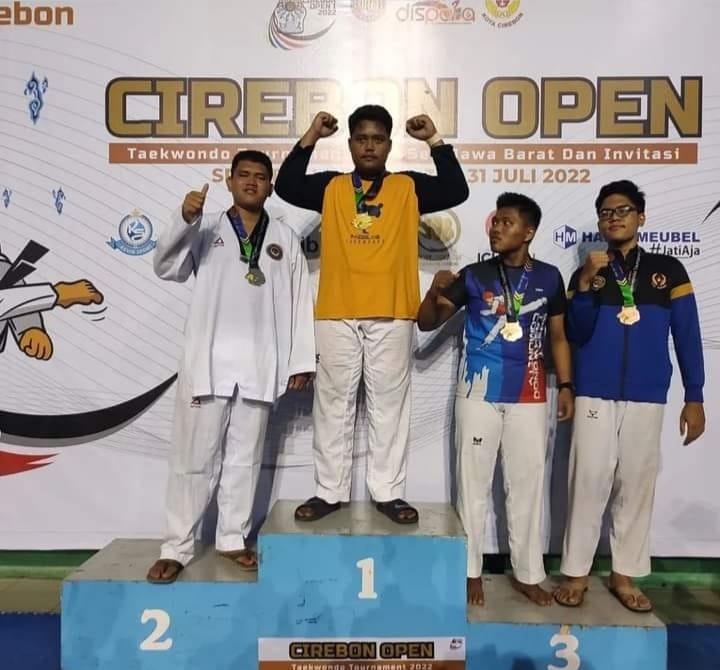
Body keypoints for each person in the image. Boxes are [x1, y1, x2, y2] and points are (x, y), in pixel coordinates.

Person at [274, 105, 469, 524]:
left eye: (377, 139)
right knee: (332, 405)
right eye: (361, 139)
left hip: (393, 310)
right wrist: (312, 135)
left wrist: (434, 140)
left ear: (389, 145)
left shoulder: (407, 186)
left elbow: (456, 189)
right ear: (349, 144)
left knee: (389, 406)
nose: (369, 146)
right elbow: (286, 184)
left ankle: (388, 493)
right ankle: (329, 491)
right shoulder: (330, 187)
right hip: (337, 310)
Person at [146, 150, 316, 584]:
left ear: (270, 186)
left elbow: (300, 301)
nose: (252, 182)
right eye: (244, 175)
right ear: (230, 181)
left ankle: (232, 538)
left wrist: (300, 360)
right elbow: (165, 266)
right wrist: (184, 219)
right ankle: (176, 546)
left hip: (260, 363)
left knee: (245, 458)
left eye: (260, 177)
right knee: (193, 459)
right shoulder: (205, 229)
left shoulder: (284, 237)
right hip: (208, 362)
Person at [554, 180, 705, 612]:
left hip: (647, 394)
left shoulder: (668, 270)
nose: (614, 218)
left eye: (622, 210)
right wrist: (585, 285)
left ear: (641, 216)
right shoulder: (587, 272)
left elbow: (687, 334)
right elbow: (576, 333)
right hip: (594, 392)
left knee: (637, 483)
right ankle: (576, 572)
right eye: (606, 212)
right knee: (587, 480)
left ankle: (625, 574)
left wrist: (694, 395)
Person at [417, 192, 574, 606]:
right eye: (495, 222)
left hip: (530, 395)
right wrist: (433, 293)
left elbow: (559, 337)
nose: (496, 228)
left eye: (507, 222)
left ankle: (527, 574)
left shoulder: (550, 277)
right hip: (478, 394)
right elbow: (427, 322)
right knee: (472, 485)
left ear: (529, 231)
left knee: (526, 486)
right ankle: (469, 570)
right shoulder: (474, 275)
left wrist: (568, 386)